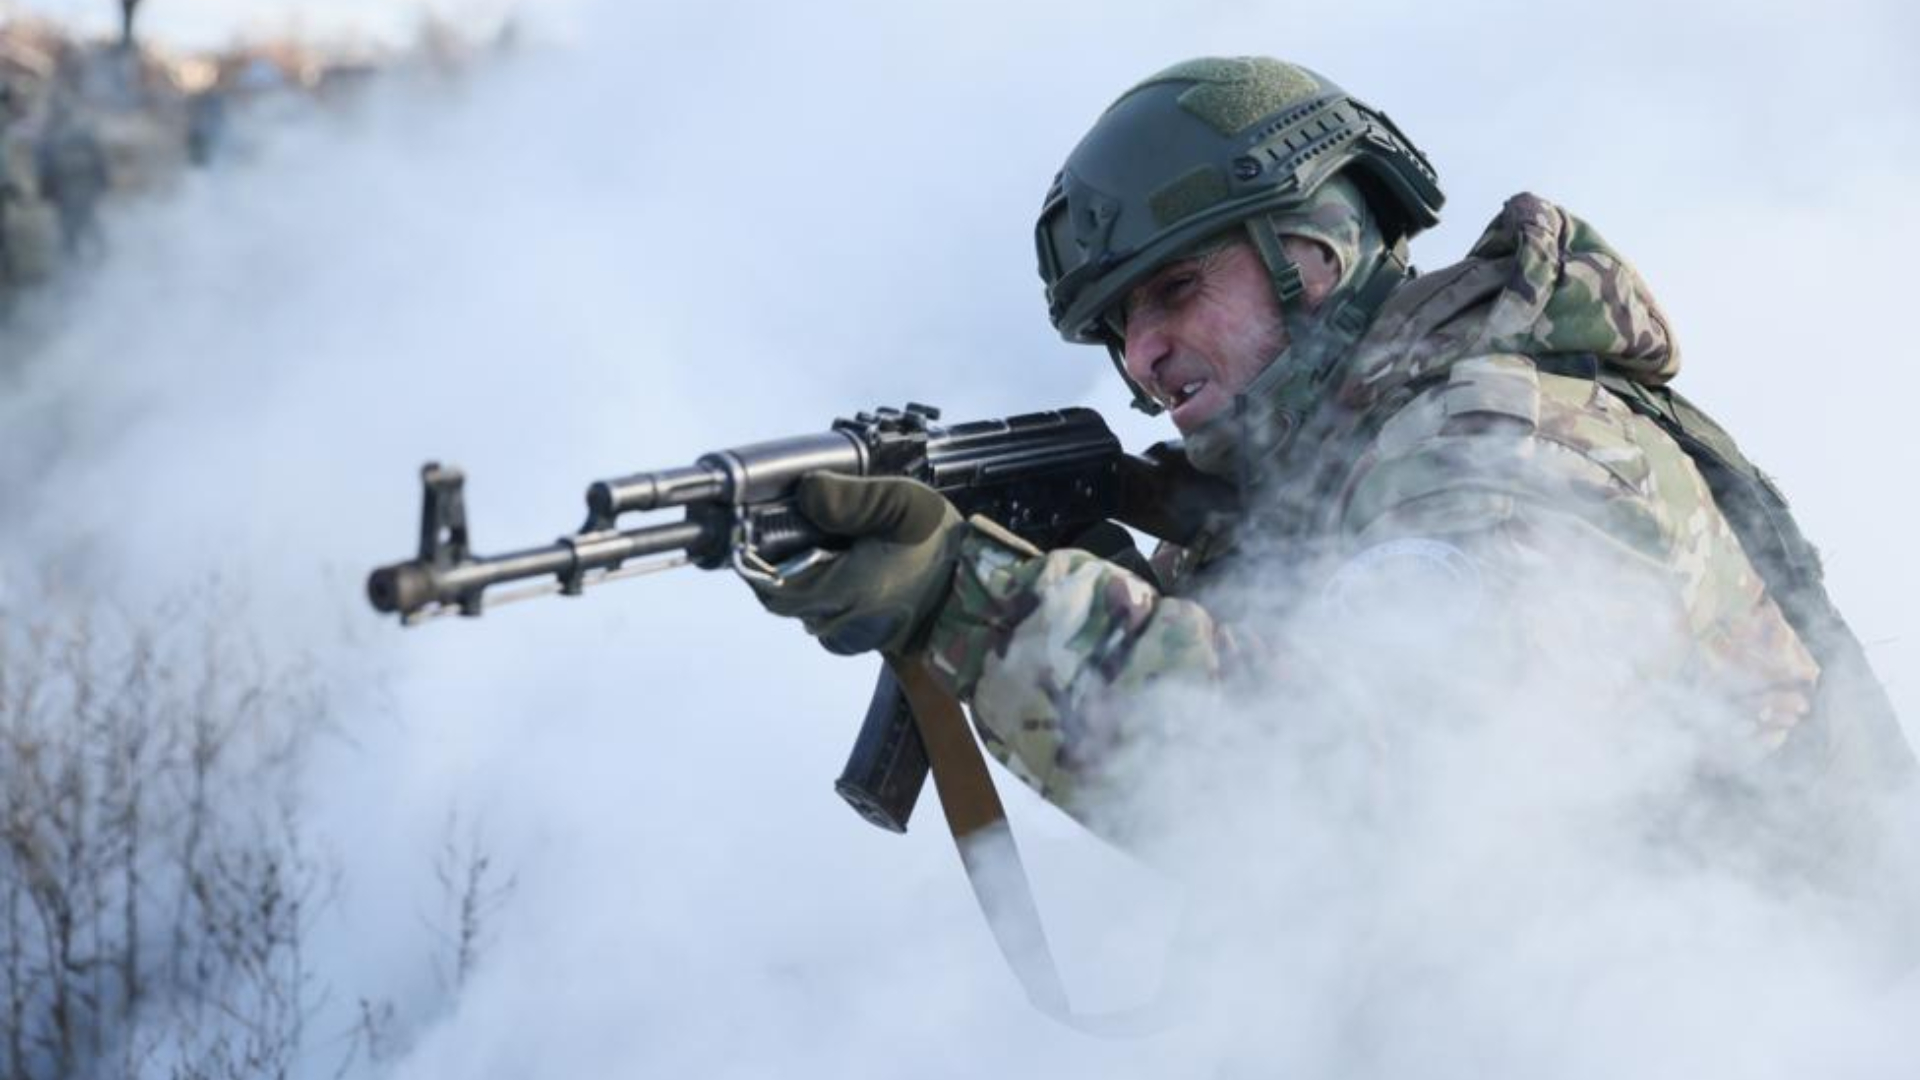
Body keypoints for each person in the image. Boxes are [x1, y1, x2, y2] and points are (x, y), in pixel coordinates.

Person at [745, 56, 1912, 841]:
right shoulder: (1339, 491)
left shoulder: (1498, 447)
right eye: (1118, 329)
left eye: (1176, 289)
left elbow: (1366, 795)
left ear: (1312, 250)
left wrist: (977, 603)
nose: (1146, 355)